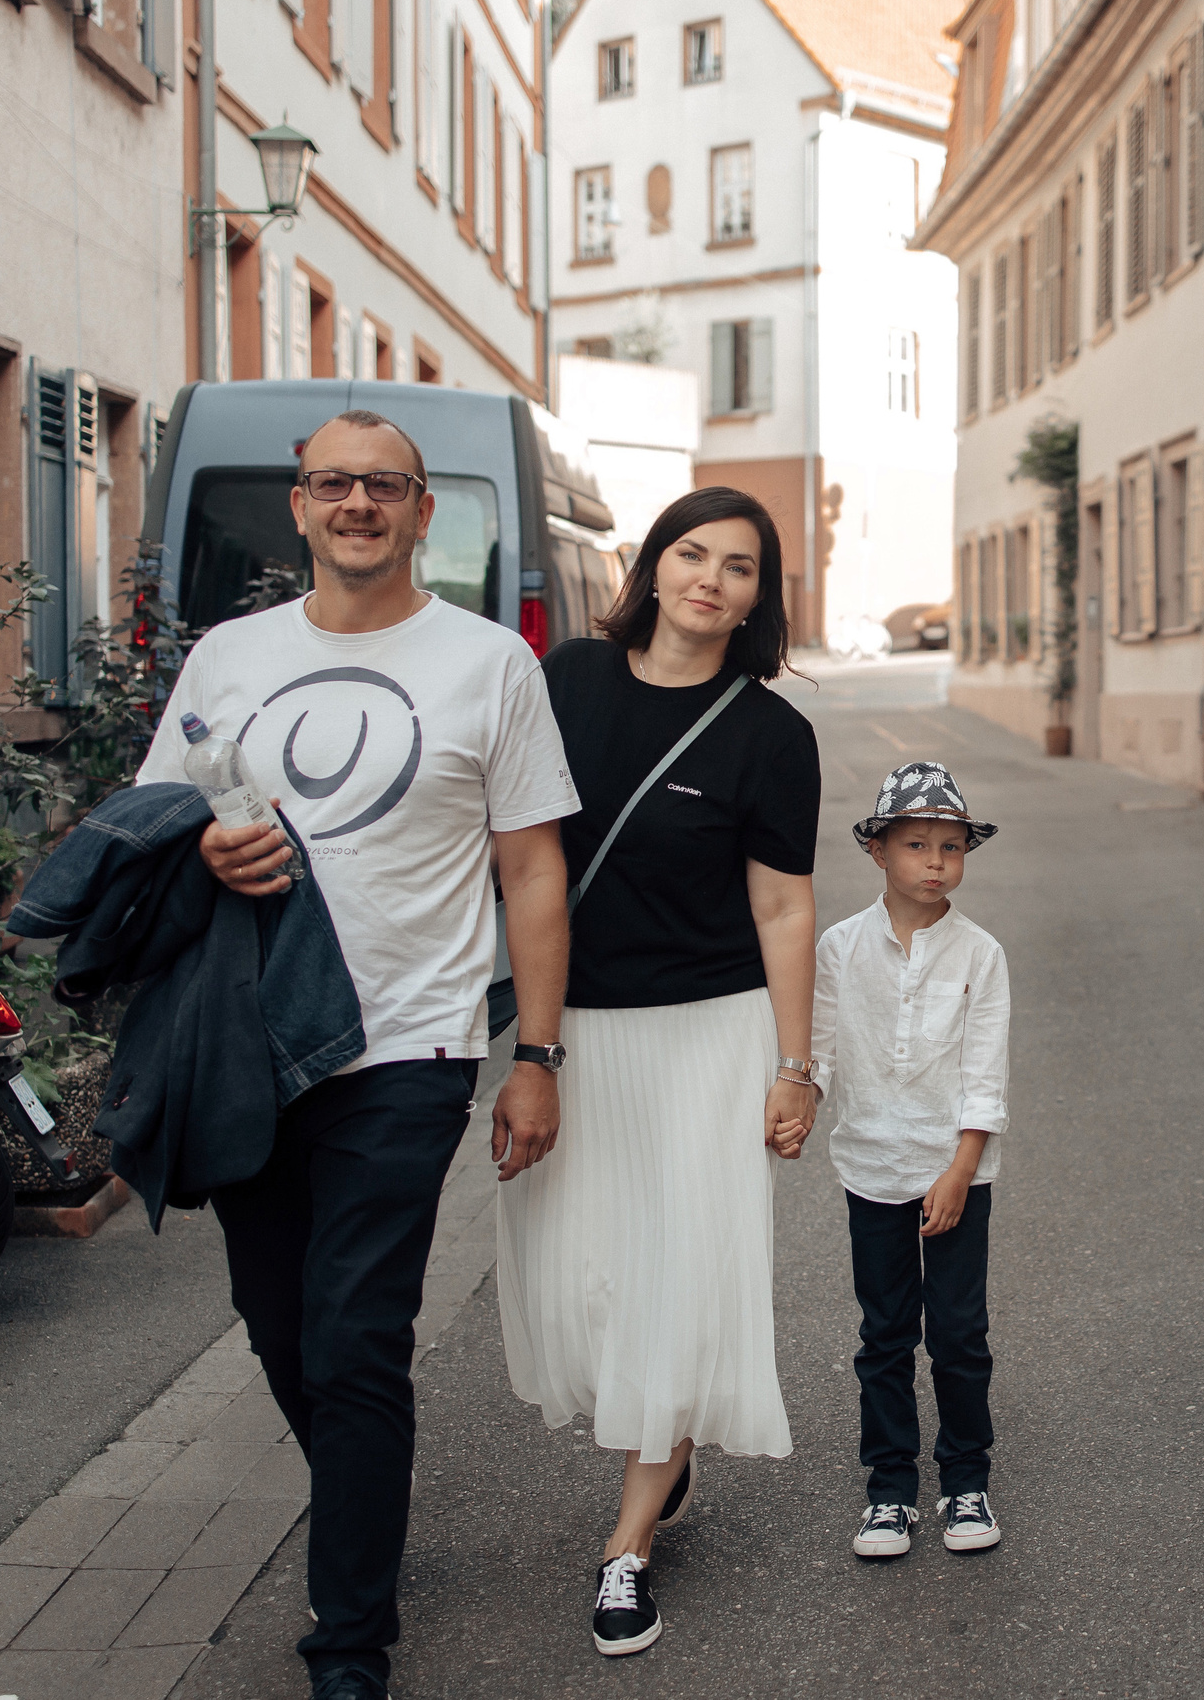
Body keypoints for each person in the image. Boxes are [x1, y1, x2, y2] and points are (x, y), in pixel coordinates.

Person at [136, 409, 579, 1700]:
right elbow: (157, 817)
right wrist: (203, 846)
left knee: (356, 1332)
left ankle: (349, 1640)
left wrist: (535, 1052)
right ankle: (361, 1493)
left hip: (410, 1043)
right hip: (253, 1040)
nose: (358, 504)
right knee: (277, 1323)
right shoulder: (229, 655)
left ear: (423, 511)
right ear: (301, 506)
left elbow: (532, 870)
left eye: (385, 485)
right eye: (334, 482)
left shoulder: (491, 663)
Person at [491, 485, 822, 1658]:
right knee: (587, 1280)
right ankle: (660, 1442)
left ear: (758, 598)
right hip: (575, 1031)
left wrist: (795, 1066)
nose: (710, 580)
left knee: (679, 1279)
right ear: (651, 565)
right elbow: (516, 852)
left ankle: (628, 1542)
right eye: (693, 553)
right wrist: (530, 1048)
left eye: (740, 566)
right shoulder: (566, 682)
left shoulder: (772, 736)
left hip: (708, 1038)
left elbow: (783, 909)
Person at [812, 761, 1011, 1561]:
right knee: (886, 1333)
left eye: (950, 846)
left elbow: (986, 1074)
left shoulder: (981, 954)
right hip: (871, 1167)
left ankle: (966, 1478)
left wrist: (960, 1168)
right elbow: (818, 1051)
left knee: (959, 1333)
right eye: (917, 844)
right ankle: (890, 1488)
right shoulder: (839, 948)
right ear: (878, 850)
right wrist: (795, 1102)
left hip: (956, 1171)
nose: (935, 862)